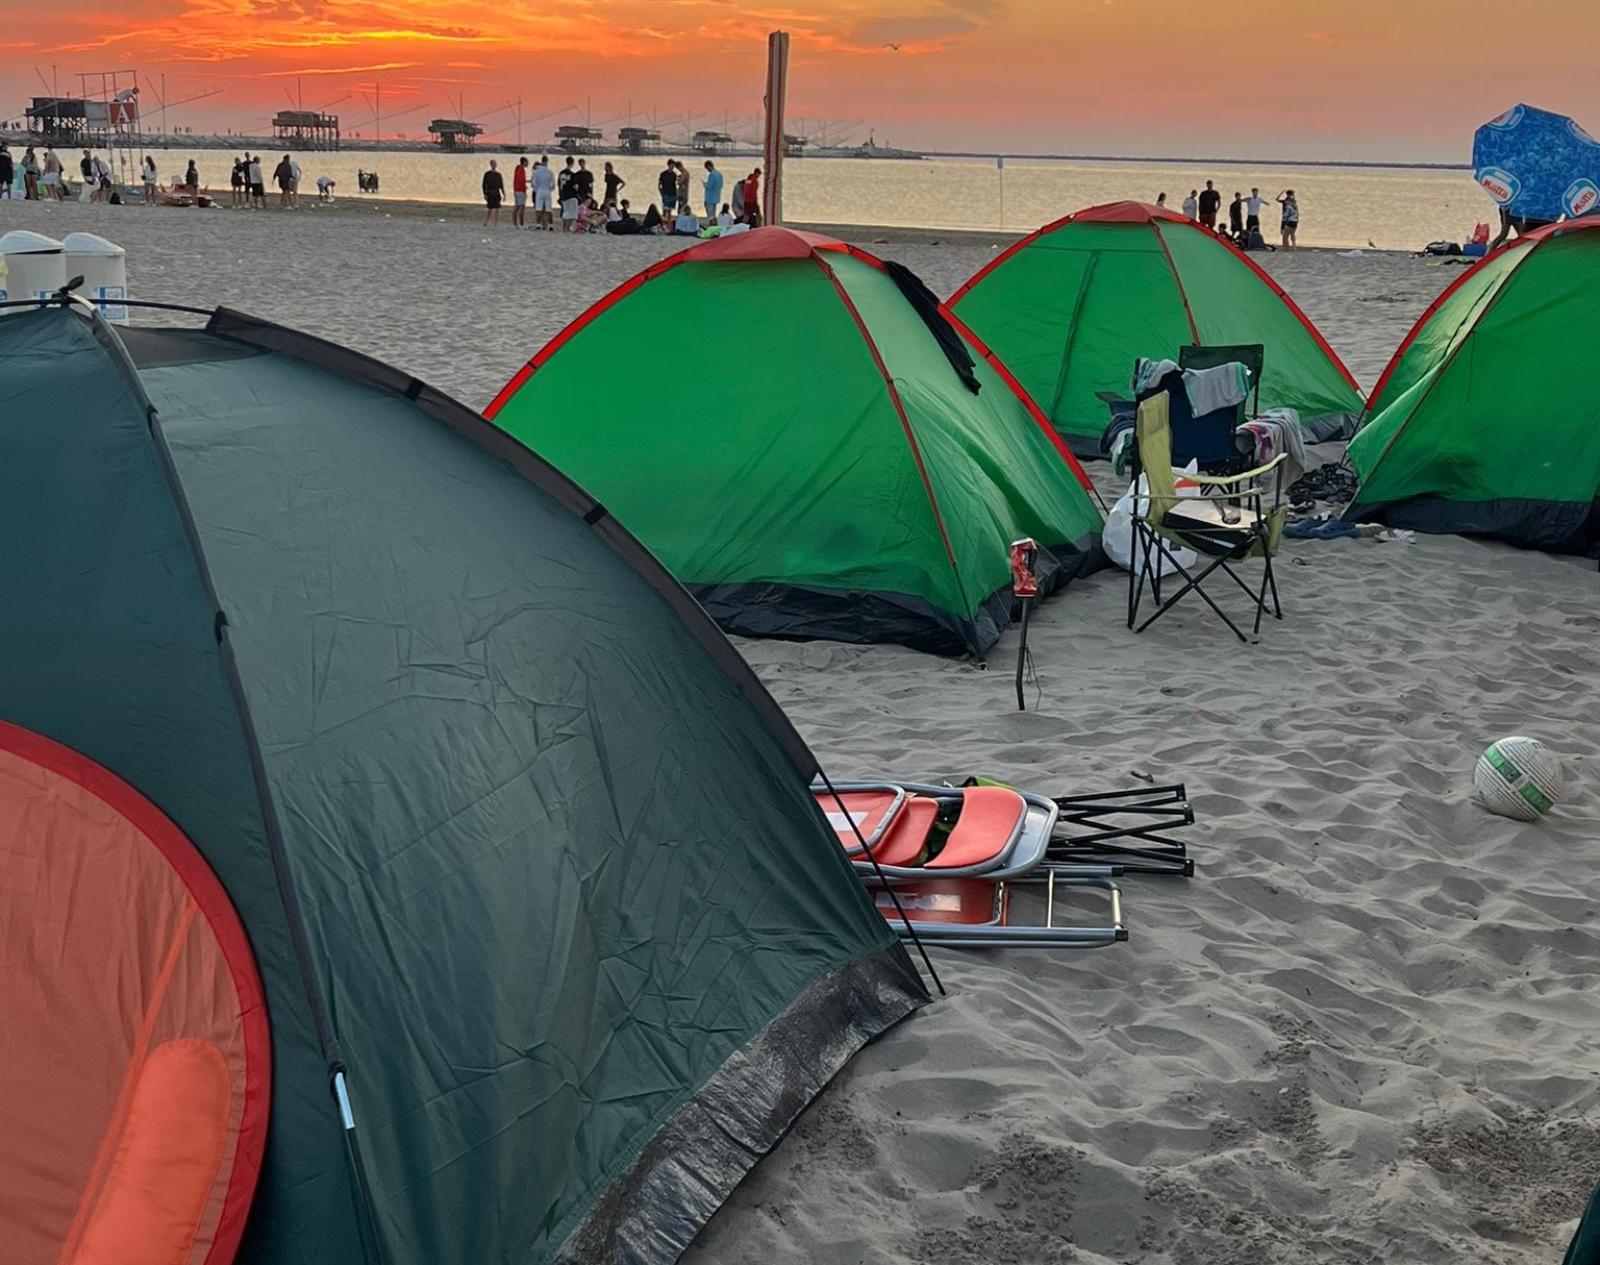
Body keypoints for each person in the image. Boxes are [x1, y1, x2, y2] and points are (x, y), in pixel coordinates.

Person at [533, 155, 556, 230]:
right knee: (548, 209)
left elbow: (533, 183)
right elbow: (553, 184)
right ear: (547, 162)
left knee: (538, 208)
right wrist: (550, 189)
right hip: (547, 191)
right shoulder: (550, 172)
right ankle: (551, 225)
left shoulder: (536, 172)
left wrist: (537, 189)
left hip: (540, 191)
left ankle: (538, 224)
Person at [482, 159, 505, 225]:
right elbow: (484, 184)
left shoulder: (498, 174)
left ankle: (496, 222)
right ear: (491, 165)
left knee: (497, 208)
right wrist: (485, 194)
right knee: (490, 208)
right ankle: (486, 221)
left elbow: (501, 185)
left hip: (497, 192)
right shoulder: (487, 174)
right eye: (493, 164)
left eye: (495, 164)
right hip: (490, 192)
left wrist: (503, 194)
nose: (494, 165)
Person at [512, 156, 529, 227]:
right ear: (524, 162)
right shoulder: (521, 170)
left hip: (517, 190)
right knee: (521, 207)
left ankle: (516, 223)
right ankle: (521, 223)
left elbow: (518, 180)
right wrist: (524, 189)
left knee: (518, 207)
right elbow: (520, 181)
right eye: (526, 162)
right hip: (520, 191)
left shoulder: (518, 169)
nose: (527, 163)